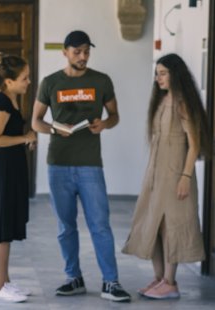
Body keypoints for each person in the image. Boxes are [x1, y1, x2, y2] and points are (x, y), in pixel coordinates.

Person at [31, 30, 131, 302]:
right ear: (65, 52)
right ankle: (73, 278)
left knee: (100, 225)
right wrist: (54, 129)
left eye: (87, 51)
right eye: (77, 52)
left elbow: (115, 115)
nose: (83, 56)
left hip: (90, 166)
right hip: (59, 165)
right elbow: (36, 121)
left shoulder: (101, 80)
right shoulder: (50, 82)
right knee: (66, 226)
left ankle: (111, 282)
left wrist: (105, 124)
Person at [122, 54, 211, 299]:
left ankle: (170, 283)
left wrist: (185, 177)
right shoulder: (161, 101)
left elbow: (194, 145)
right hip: (155, 174)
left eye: (163, 73)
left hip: (175, 175)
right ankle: (160, 278)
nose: (158, 78)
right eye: (157, 73)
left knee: (171, 227)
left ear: (175, 74)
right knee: (152, 225)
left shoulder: (182, 103)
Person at [0, 53, 35, 303]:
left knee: (7, 230)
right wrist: (25, 138)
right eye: (24, 78)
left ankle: (5, 282)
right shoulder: (2, 102)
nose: (28, 82)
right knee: (0, 232)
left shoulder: (11, 99)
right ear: (9, 81)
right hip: (3, 173)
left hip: (12, 170)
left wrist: (25, 139)